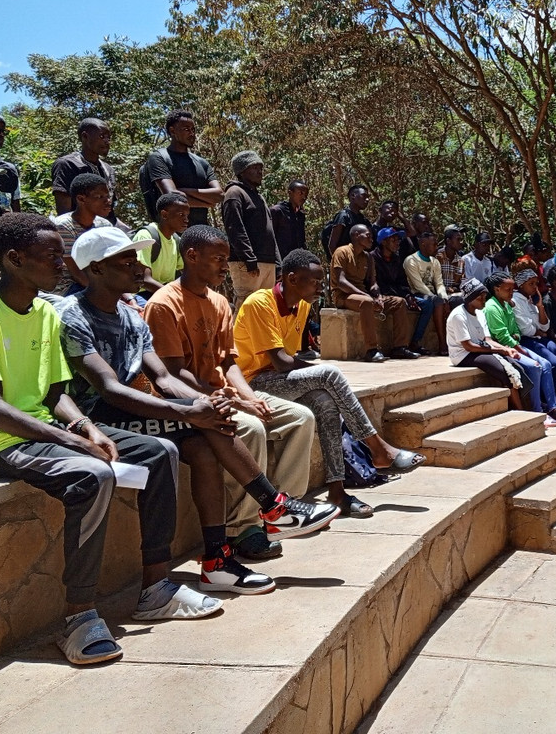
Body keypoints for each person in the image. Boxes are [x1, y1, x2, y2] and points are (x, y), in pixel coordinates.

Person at [0, 214, 222, 666]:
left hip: (39, 428)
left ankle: (155, 588)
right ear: (14, 260)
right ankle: (79, 617)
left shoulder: (44, 312)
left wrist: (86, 428)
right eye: (51, 255)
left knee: (160, 451)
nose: (62, 263)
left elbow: (56, 395)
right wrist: (71, 441)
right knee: (91, 476)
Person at [58, 228, 338, 594]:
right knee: (206, 427)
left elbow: (161, 375)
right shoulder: (73, 315)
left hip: (137, 408)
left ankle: (219, 559)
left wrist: (198, 403)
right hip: (100, 416)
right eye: (126, 260)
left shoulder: (132, 318)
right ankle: (274, 507)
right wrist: (188, 413)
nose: (138, 266)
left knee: (208, 437)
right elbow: (110, 390)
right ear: (94, 269)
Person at [143, 225, 324, 560]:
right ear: (191, 256)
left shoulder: (220, 302)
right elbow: (172, 372)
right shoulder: (164, 304)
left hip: (226, 392)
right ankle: (244, 528)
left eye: (226, 259)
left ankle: (281, 513)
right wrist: (238, 401)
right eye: (218, 259)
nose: (225, 266)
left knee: (301, 418)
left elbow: (228, 364)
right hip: (186, 398)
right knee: (251, 428)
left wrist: (249, 397)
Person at [234, 248, 426, 513]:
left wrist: (317, 375)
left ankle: (337, 491)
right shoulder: (260, 303)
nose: (320, 288)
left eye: (321, 282)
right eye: (313, 282)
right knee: (329, 374)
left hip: (279, 379)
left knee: (325, 400)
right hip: (253, 383)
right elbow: (280, 361)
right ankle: (378, 448)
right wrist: (320, 373)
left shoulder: (301, 305)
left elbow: (292, 360)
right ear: (291, 279)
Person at [330, 224, 418, 362]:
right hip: (343, 296)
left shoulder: (368, 257)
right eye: (368, 236)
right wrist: (366, 296)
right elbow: (341, 282)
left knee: (399, 302)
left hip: (363, 295)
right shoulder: (342, 252)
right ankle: (371, 350)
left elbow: (373, 283)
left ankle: (399, 347)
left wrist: (377, 295)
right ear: (356, 235)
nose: (372, 239)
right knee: (366, 302)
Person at [482, 271, 556, 423]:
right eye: (508, 290)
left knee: (546, 364)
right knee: (535, 366)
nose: (512, 293)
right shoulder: (492, 307)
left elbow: (515, 332)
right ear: (497, 289)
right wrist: (520, 348)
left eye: (512, 289)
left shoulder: (507, 304)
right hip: (502, 348)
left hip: (514, 344)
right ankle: (536, 410)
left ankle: (553, 407)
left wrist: (515, 338)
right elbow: (503, 336)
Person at [445, 278, 526, 409]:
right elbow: (468, 346)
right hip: (463, 355)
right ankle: (519, 409)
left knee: (517, 366)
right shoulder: (459, 316)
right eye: (480, 298)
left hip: (480, 348)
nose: (484, 301)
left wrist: (507, 349)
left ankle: (523, 404)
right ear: (470, 299)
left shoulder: (480, 313)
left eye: (484, 297)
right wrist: (499, 351)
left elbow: (487, 340)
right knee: (504, 371)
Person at [140, 110, 223, 226]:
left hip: (200, 230)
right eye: (186, 129)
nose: (192, 133)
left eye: (193, 129)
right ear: (172, 131)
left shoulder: (202, 163)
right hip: (172, 233)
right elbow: (173, 199)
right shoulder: (159, 158)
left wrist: (183, 191)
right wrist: (207, 203)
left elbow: (219, 195)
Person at [222, 150, 281, 307]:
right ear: (241, 171)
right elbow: (235, 229)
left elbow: (270, 233)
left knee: (263, 307)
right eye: (254, 168)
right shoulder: (234, 193)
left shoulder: (259, 197)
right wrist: (249, 258)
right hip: (247, 262)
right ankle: (233, 333)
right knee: (245, 305)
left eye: (260, 168)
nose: (259, 172)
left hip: (267, 262)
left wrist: (278, 263)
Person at [373, 226, 433, 355]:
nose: (397, 243)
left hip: (399, 295)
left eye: (398, 240)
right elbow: (374, 283)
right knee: (400, 303)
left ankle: (415, 342)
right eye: (393, 240)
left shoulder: (396, 259)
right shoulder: (373, 258)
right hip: (382, 296)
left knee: (427, 303)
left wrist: (408, 295)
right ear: (383, 242)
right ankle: (399, 347)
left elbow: (402, 282)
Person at [51, 173, 114, 296]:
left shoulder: (104, 225)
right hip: (67, 287)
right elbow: (76, 273)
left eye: (108, 196)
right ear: (81, 199)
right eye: (100, 197)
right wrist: (107, 294)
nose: (108, 201)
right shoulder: (63, 226)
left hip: (97, 282)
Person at [51, 118, 117, 217]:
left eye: (109, 138)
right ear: (85, 137)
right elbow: (64, 214)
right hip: (78, 231)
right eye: (102, 136)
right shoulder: (67, 165)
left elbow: (110, 215)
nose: (107, 141)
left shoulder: (108, 170)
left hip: (104, 229)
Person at [511, 269, 556, 381]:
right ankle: (554, 395)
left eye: (536, 283)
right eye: (530, 284)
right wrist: (539, 332)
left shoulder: (531, 300)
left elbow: (545, 326)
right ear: (521, 285)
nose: (535, 287)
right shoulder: (515, 301)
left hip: (539, 338)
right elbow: (526, 330)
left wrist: (540, 307)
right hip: (527, 340)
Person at [403, 229, 449, 355]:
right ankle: (441, 343)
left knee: (453, 301)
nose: (436, 247)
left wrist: (444, 297)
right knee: (434, 303)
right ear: (423, 244)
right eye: (434, 244)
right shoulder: (411, 261)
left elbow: (439, 283)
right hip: (417, 294)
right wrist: (436, 298)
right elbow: (418, 285)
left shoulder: (435, 262)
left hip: (433, 294)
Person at [133, 191, 189, 296]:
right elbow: (145, 280)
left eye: (187, 215)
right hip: (143, 294)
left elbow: (187, 273)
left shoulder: (177, 241)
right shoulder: (146, 236)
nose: (186, 220)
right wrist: (175, 296)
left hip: (165, 292)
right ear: (164, 214)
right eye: (181, 215)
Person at [324, 185, 372, 255]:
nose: (367, 199)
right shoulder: (343, 216)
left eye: (368, 197)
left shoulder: (363, 220)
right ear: (353, 196)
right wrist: (338, 261)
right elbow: (332, 245)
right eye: (364, 196)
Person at [270, 179, 308, 258]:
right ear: (290, 193)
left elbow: (301, 240)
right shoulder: (277, 211)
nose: (304, 197)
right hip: (280, 260)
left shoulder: (300, 214)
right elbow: (269, 238)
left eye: (306, 194)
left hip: (296, 261)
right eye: (301, 193)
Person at [437, 224, 468, 302]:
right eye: (458, 239)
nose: (461, 242)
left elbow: (462, 282)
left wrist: (456, 287)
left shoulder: (461, 261)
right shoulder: (437, 257)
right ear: (448, 241)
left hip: (454, 295)